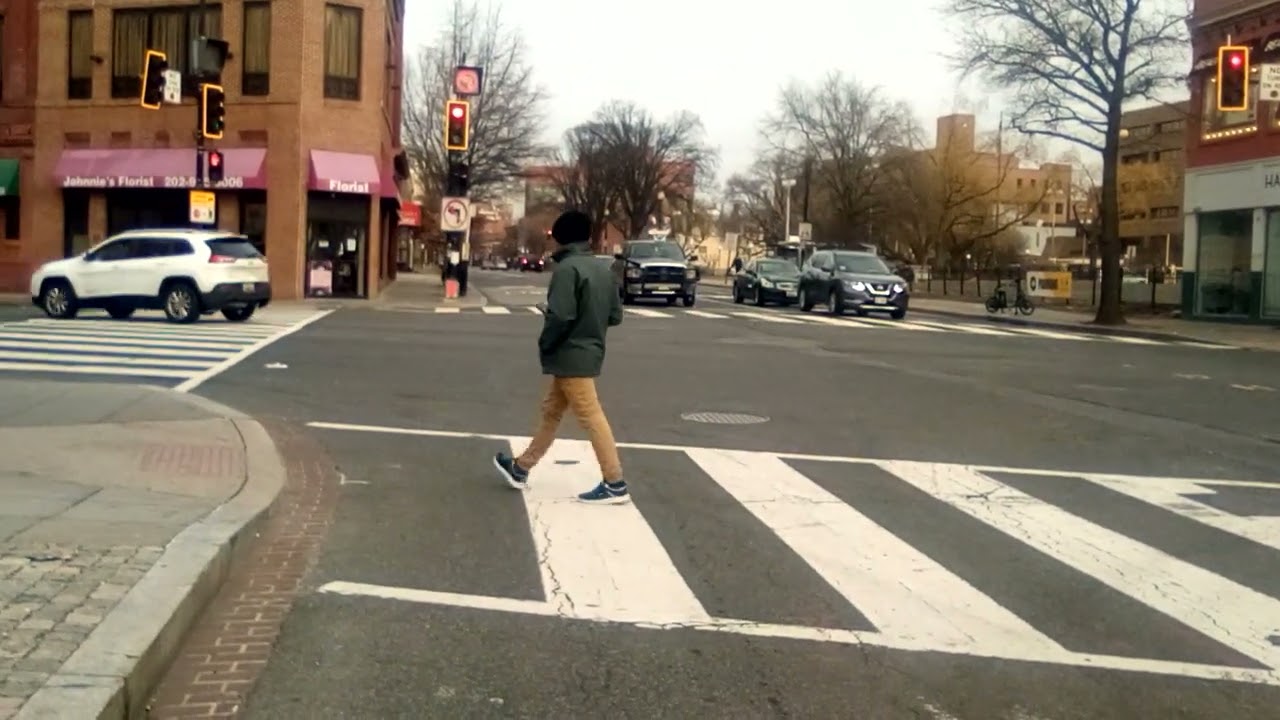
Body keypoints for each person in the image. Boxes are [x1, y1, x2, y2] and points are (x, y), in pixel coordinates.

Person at [492, 210, 628, 504]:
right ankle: (521, 468)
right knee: (551, 412)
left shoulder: (567, 270)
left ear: (560, 237)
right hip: (590, 350)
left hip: (570, 353)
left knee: (591, 416)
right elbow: (615, 316)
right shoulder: (603, 270)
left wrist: (546, 341)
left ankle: (615, 481)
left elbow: (562, 317)